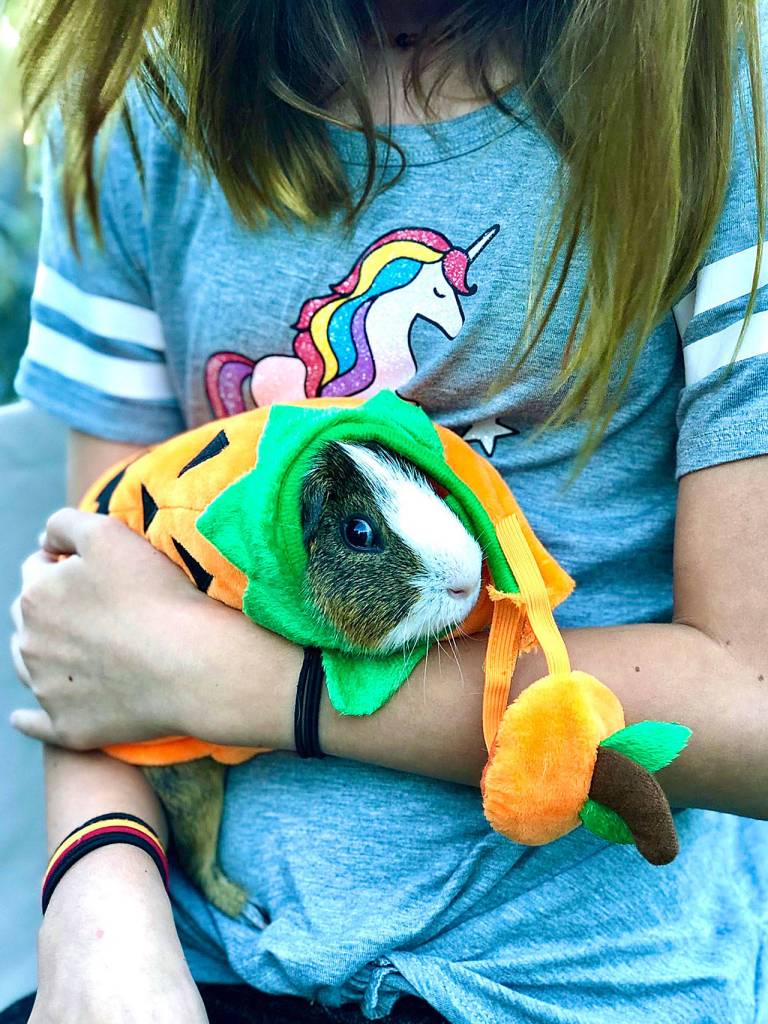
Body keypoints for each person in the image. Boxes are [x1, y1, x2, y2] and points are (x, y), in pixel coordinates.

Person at [4, 1, 768, 1021]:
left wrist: (267, 689)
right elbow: (96, 629)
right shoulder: (138, 106)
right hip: (204, 950)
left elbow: (754, 701)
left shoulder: (720, 91)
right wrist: (98, 900)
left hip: (570, 982)